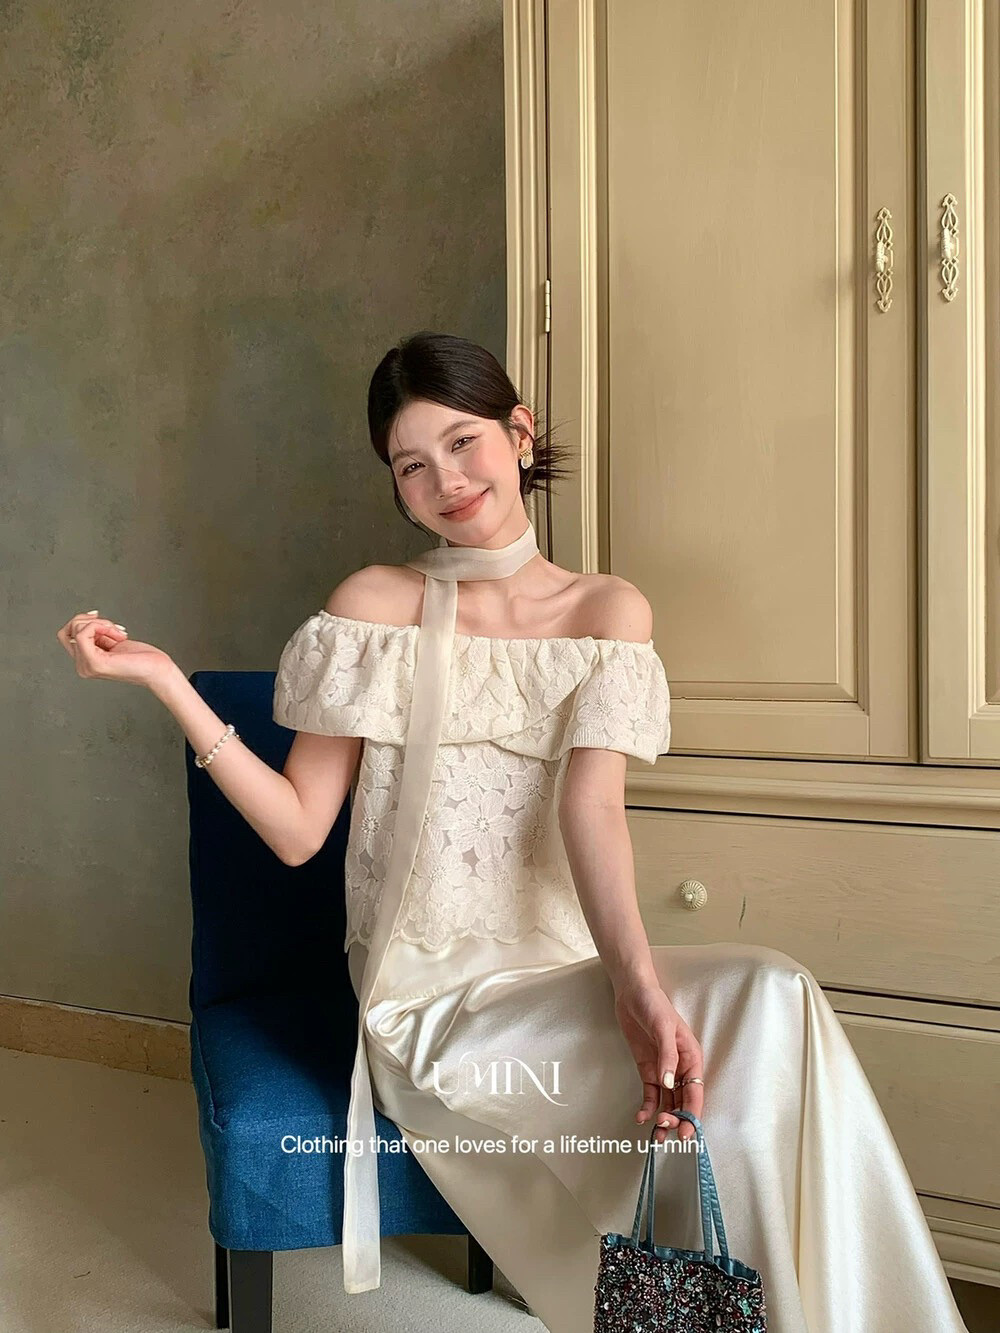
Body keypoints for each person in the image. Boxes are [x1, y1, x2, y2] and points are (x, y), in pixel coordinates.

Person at [57, 332, 970, 1333]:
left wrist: (634, 985)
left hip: (562, 975)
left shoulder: (607, 610)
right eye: (411, 464)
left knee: (773, 1000)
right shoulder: (375, 604)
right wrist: (166, 681)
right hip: (429, 1002)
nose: (445, 480)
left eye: (463, 442)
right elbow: (297, 830)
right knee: (739, 1069)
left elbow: (591, 809)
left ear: (519, 433)